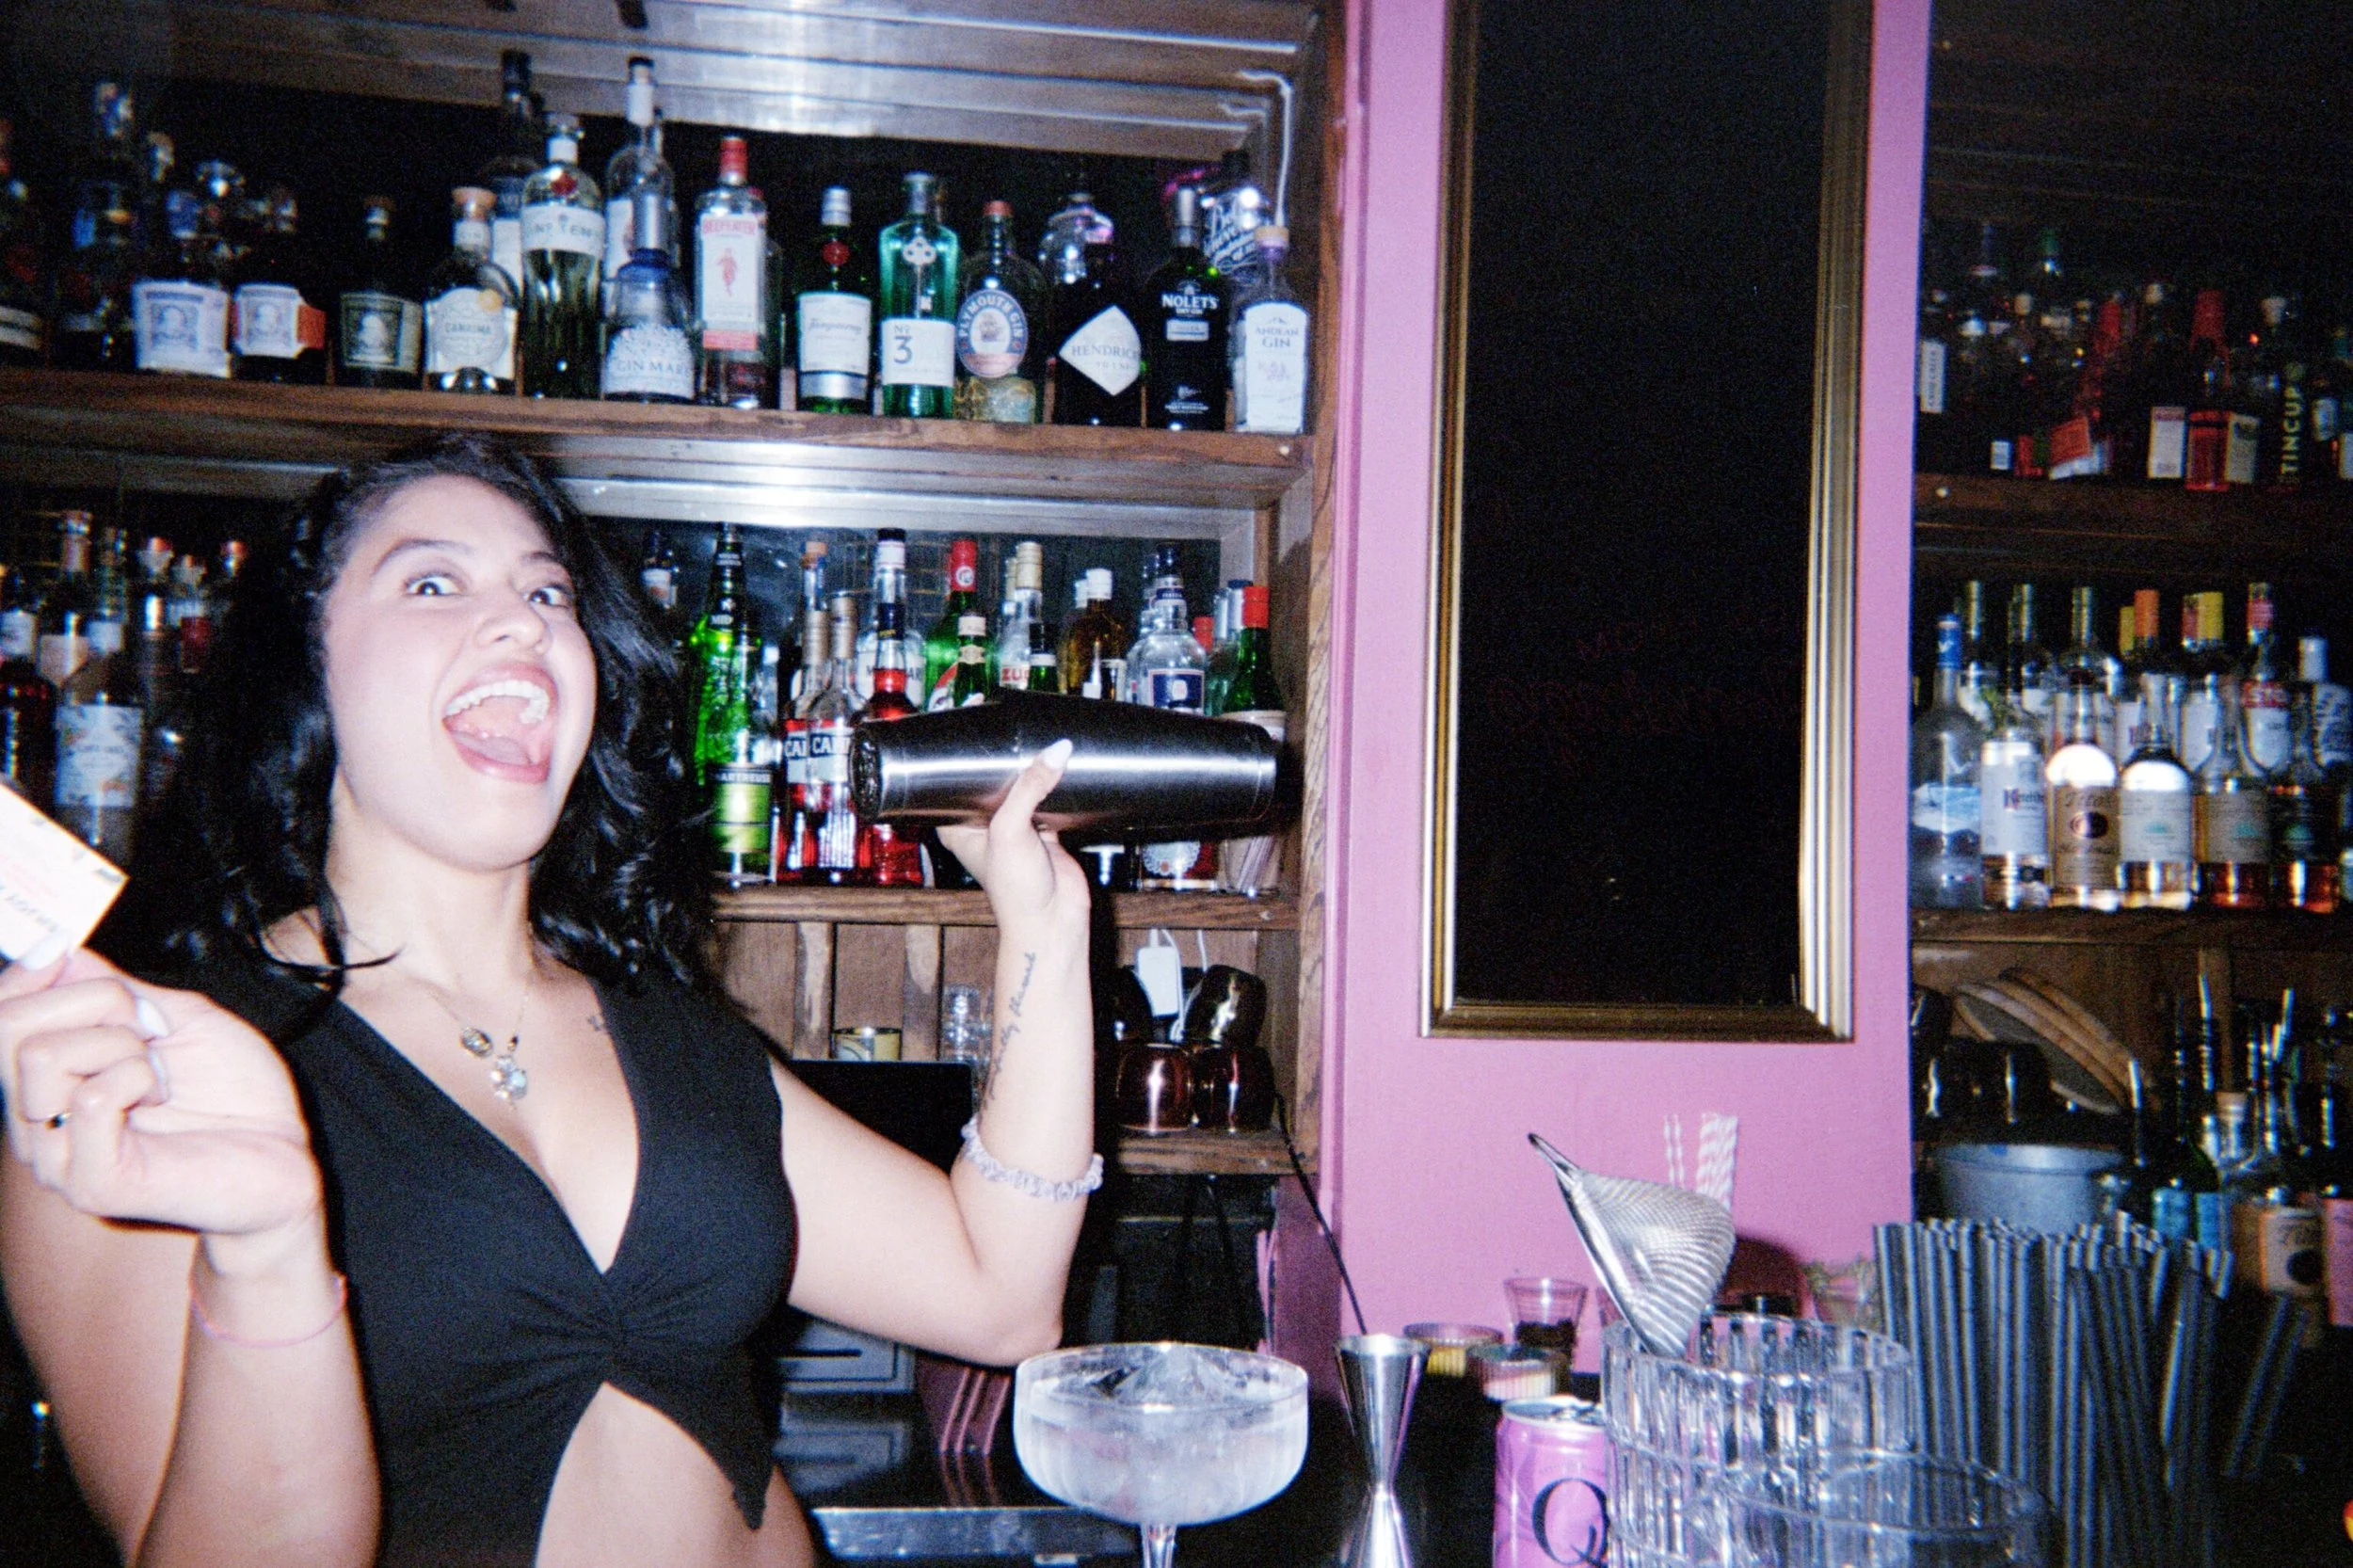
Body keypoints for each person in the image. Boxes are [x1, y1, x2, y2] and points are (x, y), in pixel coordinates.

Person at [0, 434, 1097, 1568]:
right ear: (308, 663)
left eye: (546, 591)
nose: (522, 621)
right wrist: (272, 1248)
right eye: (433, 582)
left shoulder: (671, 1033)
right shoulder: (153, 1076)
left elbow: (999, 1294)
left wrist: (1048, 926)